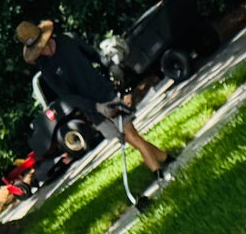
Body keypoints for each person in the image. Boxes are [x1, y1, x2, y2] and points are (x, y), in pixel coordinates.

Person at [14, 19, 169, 178]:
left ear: (45, 39)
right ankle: (164, 157)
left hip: (105, 93)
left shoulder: (67, 40)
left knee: (131, 135)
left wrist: (111, 67)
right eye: (37, 51)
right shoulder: (46, 69)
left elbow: (95, 55)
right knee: (129, 139)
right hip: (91, 109)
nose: (41, 53)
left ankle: (158, 174)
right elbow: (69, 97)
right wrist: (97, 108)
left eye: (41, 48)